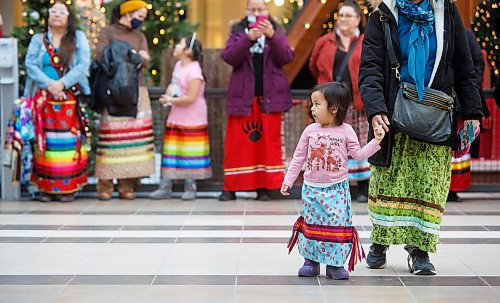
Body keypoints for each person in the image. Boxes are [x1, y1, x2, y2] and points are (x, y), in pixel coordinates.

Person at [359, 0, 482, 275]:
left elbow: (464, 66)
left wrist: (472, 112)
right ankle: (380, 241)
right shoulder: (382, 14)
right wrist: (375, 109)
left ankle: (420, 251)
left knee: (428, 184)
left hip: (436, 115)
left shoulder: (447, 11)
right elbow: (370, 68)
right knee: (387, 181)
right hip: (393, 116)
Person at [282, 82, 385, 280]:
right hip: (312, 189)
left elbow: (359, 154)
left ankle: (335, 263)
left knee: (335, 226)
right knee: (311, 225)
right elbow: (298, 157)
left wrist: (376, 141)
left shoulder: (346, 131)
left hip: (337, 190)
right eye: (312, 104)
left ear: (334, 108)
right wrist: (289, 179)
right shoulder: (310, 131)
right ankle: (310, 261)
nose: (312, 108)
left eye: (317, 104)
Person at [219, 0, 294, 201]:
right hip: (243, 97)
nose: (257, 13)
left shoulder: (276, 29)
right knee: (237, 144)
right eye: (253, 10)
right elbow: (228, 56)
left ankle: (264, 186)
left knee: (267, 145)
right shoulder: (237, 30)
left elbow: (286, 56)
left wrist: (272, 36)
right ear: (246, 10)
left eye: (261, 9)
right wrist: (247, 38)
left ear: (267, 11)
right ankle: (231, 188)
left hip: (269, 98)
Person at [25, 0, 90, 202]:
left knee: (68, 142)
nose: (57, 15)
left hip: (69, 97)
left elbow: (82, 65)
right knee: (44, 141)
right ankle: (46, 187)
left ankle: (69, 187)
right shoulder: (38, 39)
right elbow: (30, 65)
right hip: (43, 98)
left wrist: (61, 84)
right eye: (53, 11)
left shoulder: (78, 38)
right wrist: (50, 86)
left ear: (69, 17)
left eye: (61, 12)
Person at [309, 0, 370, 202]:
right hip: (332, 104)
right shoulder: (324, 41)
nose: (343, 19)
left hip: (356, 102)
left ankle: (362, 187)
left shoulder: (365, 42)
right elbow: (313, 66)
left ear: (358, 19)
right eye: (340, 15)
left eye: (348, 16)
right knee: (332, 144)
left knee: (357, 143)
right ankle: (338, 185)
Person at [93, 0, 154, 200]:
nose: (141, 21)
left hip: (136, 90)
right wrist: (133, 56)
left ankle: (127, 185)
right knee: (111, 139)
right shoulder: (107, 32)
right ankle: (105, 185)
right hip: (112, 90)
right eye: (140, 15)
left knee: (132, 141)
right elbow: (102, 56)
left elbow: (145, 61)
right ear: (128, 13)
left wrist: (123, 54)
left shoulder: (139, 36)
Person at [149, 34, 212, 200]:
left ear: (188, 51)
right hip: (177, 115)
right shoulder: (178, 65)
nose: (176, 46)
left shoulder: (195, 71)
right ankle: (166, 185)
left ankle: (190, 186)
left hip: (193, 118)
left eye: (179, 43)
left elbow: (191, 98)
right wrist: (169, 93)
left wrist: (170, 100)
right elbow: (174, 84)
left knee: (190, 152)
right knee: (173, 150)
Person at [448, 27, 489, 202]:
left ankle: (454, 188)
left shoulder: (465, 33)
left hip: (459, 101)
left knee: (460, 144)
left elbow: (477, 63)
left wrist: (471, 88)